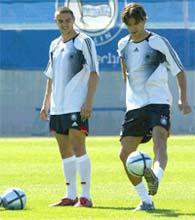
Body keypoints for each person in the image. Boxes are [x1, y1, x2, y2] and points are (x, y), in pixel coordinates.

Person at [117, 3, 192, 211]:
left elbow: (179, 71)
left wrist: (182, 99)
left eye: (137, 23)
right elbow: (125, 72)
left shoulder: (158, 42)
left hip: (158, 101)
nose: (134, 28)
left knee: (160, 141)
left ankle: (155, 178)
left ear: (144, 20)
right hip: (134, 106)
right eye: (130, 24)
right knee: (124, 155)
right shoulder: (122, 45)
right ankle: (146, 200)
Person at [40, 6, 99, 208]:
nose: (64, 24)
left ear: (74, 20)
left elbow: (94, 73)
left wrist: (88, 101)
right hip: (58, 107)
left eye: (67, 20)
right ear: (56, 22)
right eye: (60, 21)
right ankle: (70, 195)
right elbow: (51, 76)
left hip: (76, 105)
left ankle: (86, 196)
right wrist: (46, 103)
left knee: (78, 147)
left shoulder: (84, 41)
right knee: (64, 151)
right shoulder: (54, 45)